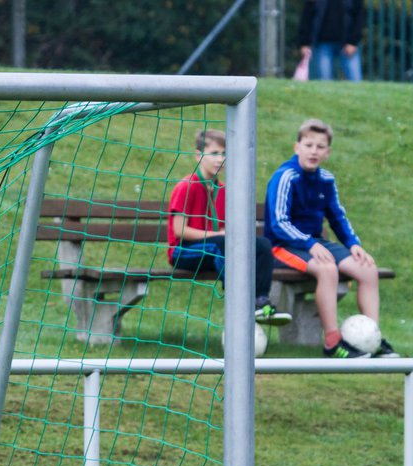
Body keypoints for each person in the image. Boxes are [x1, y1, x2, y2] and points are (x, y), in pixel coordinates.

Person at [265, 118, 398, 358]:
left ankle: (371, 339)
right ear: (297, 147)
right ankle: (332, 342)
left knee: (368, 269)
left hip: (315, 243)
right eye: (308, 145)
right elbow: (279, 223)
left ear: (328, 152)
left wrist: (353, 244)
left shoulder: (326, 179)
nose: (313, 151)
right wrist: (309, 243)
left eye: (320, 146)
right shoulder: (285, 176)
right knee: (328, 270)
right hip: (284, 246)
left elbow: (337, 217)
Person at [167, 129, 291, 328]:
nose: (220, 159)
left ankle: (261, 301)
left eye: (224, 154)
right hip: (185, 252)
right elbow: (180, 231)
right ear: (198, 155)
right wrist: (218, 234)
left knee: (262, 245)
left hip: (217, 249)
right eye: (214, 153)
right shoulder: (187, 186)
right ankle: (240, 306)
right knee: (221, 244)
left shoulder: (224, 190)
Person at [298, 0, 365, 82]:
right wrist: (304, 42)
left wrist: (353, 41)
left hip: (348, 44)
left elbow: (359, 17)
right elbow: (306, 16)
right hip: (322, 44)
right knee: (325, 82)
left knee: (355, 81)